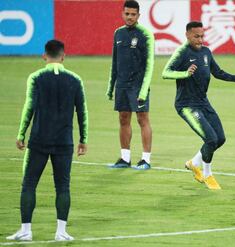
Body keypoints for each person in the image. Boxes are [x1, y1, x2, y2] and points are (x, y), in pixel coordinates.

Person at [162, 21, 235, 190]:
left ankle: (194, 163)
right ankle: (207, 174)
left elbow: (219, 73)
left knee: (220, 139)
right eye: (196, 36)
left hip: (202, 102)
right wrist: (185, 73)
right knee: (210, 139)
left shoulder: (206, 52)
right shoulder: (182, 52)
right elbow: (165, 73)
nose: (200, 40)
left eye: (202, 36)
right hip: (186, 105)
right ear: (187, 35)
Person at [7, 40, 88, 241]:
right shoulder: (75, 80)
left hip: (39, 139)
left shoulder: (36, 77)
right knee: (62, 187)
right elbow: (82, 111)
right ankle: (61, 232)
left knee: (29, 185)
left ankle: (26, 231)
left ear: (45, 56)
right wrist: (83, 139)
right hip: (64, 141)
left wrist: (21, 134)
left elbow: (29, 107)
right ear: (63, 56)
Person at [106, 0, 154, 170]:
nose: (130, 17)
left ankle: (146, 159)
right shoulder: (118, 33)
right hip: (122, 85)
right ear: (122, 14)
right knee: (123, 118)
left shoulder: (146, 34)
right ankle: (125, 159)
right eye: (127, 13)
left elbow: (150, 65)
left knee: (142, 119)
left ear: (138, 15)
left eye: (133, 14)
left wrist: (143, 89)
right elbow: (115, 62)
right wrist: (111, 87)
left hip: (138, 85)